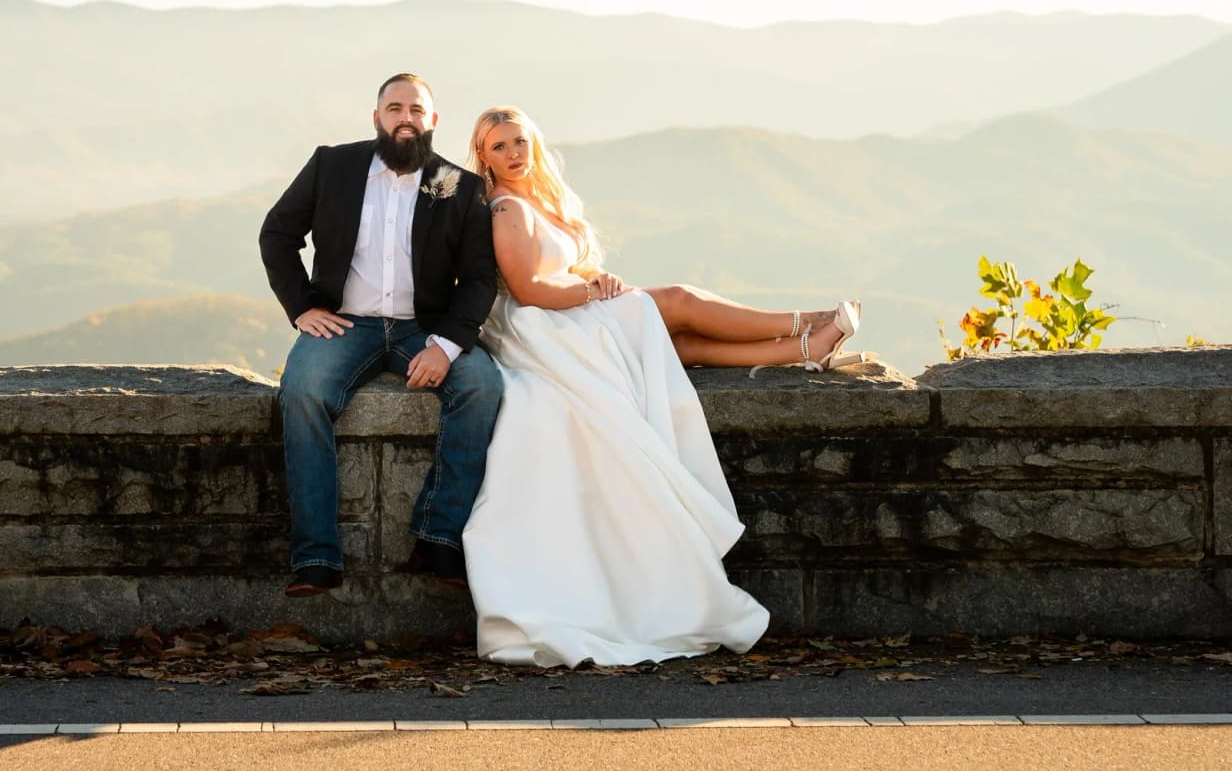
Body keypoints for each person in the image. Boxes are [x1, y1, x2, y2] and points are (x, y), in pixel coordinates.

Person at [459, 105, 864, 667]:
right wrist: (593, 291)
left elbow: (554, 274)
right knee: (675, 301)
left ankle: (804, 351)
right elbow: (529, 289)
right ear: (484, 155)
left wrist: (586, 282)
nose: (514, 153)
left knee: (676, 347)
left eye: (520, 141)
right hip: (550, 325)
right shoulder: (505, 208)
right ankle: (803, 321)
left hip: (571, 310)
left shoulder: (541, 201)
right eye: (500, 146)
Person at [259, 74, 504, 599]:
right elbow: (277, 233)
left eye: (416, 109)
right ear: (377, 118)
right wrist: (301, 308)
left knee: (482, 386)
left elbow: (481, 276)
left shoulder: (460, 186)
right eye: (394, 107)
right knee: (301, 393)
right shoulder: (332, 165)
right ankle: (316, 558)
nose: (405, 117)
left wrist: (447, 345)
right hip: (346, 323)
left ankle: (439, 536)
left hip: (427, 328)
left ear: (432, 121)